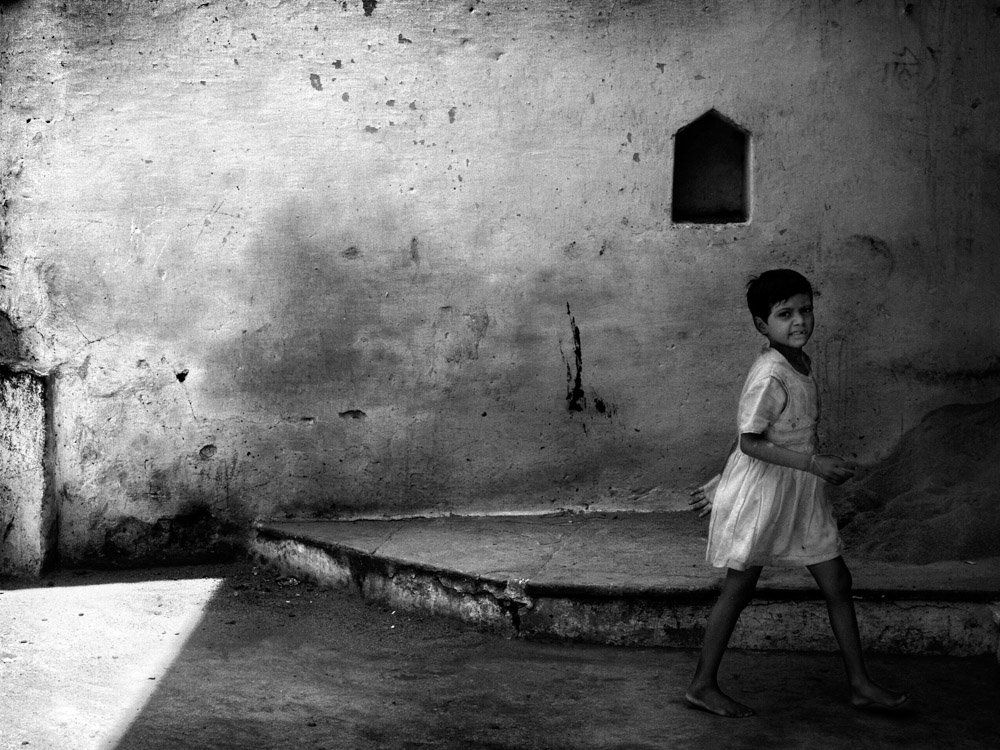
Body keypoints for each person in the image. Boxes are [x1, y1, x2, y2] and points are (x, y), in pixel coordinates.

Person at [684, 269, 907, 718]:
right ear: (762, 326)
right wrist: (809, 464)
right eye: (785, 314)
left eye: (805, 309)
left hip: (801, 489)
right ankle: (702, 685)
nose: (799, 320)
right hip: (768, 489)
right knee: (739, 586)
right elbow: (749, 440)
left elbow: (758, 430)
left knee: (838, 582)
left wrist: (805, 467)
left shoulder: (798, 363)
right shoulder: (770, 373)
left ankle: (860, 684)